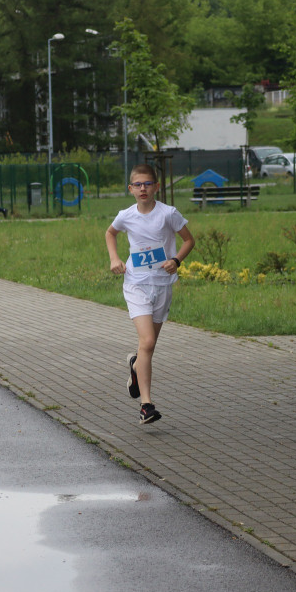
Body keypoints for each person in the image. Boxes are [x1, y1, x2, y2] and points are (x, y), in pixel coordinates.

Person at [105, 164, 194, 424]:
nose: (143, 189)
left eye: (147, 184)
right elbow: (110, 233)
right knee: (147, 343)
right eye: (138, 185)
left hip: (162, 284)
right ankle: (146, 405)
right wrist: (114, 258)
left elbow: (189, 240)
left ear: (156, 187)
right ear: (130, 189)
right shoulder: (126, 215)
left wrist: (176, 260)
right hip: (136, 283)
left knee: (147, 348)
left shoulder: (168, 214)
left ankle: (135, 366)